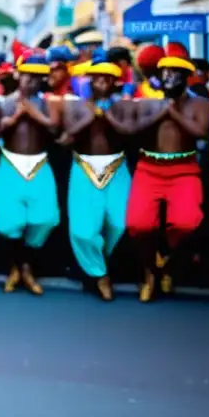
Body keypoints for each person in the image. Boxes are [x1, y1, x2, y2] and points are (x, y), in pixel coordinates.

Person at [126, 48, 209, 301]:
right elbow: (134, 131)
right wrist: (159, 113)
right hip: (149, 168)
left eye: (174, 72)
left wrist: (172, 112)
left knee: (188, 222)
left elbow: (201, 132)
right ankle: (152, 273)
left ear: (186, 76)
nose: (168, 76)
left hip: (184, 169)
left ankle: (166, 263)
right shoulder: (149, 102)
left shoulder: (200, 103)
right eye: (164, 72)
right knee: (137, 225)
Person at [58, 59, 136, 300]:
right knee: (83, 230)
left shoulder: (122, 105)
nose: (101, 82)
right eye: (97, 78)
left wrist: (107, 114)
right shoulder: (76, 106)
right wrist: (92, 113)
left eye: (107, 79)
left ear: (114, 82)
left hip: (117, 166)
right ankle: (100, 275)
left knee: (119, 223)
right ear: (89, 81)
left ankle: (96, 265)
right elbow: (68, 136)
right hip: (84, 166)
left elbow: (128, 132)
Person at [0, 51, 61, 294]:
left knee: (45, 218)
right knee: (7, 222)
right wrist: (11, 121)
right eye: (27, 76)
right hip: (10, 163)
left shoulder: (49, 102)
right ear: (18, 75)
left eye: (37, 77)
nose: (31, 81)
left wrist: (33, 113)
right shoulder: (5, 102)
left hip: (39, 164)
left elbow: (54, 130)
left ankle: (27, 267)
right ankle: (15, 269)